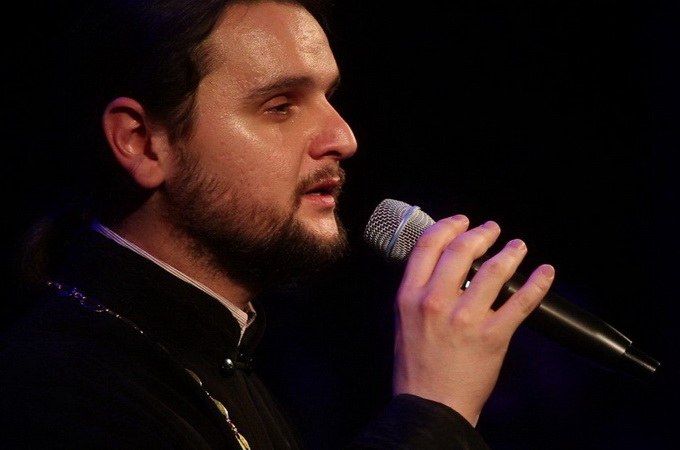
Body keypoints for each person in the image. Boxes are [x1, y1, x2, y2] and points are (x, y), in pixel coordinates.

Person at [0, 0, 555, 448]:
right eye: (280, 105)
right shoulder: (58, 386)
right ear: (142, 142)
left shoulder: (227, 357)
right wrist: (433, 412)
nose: (343, 138)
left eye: (329, 97)